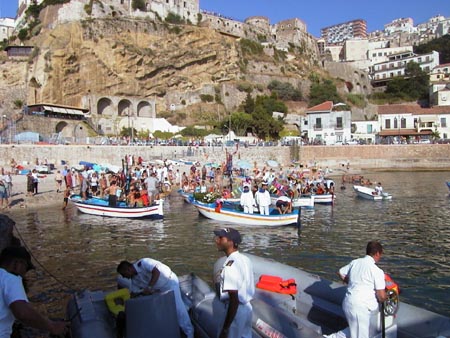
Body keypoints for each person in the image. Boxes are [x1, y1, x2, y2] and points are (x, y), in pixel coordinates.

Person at [0, 246, 68, 337]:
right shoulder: (11, 278)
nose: (24, 274)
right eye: (26, 268)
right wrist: (53, 326)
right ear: (17, 264)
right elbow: (22, 313)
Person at [116, 258, 194, 338]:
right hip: (158, 290)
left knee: (178, 309)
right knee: (160, 311)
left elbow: (156, 272)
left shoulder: (143, 263)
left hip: (169, 283)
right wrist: (127, 310)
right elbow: (133, 294)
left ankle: (189, 333)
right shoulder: (134, 281)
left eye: (123, 274)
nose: (124, 277)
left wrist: (149, 287)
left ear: (128, 269)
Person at [337, 241, 387, 338]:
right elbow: (381, 296)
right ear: (377, 253)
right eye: (380, 255)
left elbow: (340, 272)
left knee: (354, 331)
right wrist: (386, 296)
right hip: (360, 307)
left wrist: (350, 282)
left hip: (348, 302)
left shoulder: (355, 262)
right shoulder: (377, 271)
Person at [214, 227, 254, 338]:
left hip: (235, 312)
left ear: (231, 242)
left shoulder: (230, 266)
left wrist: (226, 328)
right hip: (247, 308)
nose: (217, 240)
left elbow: (234, 299)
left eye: (221, 238)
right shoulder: (245, 259)